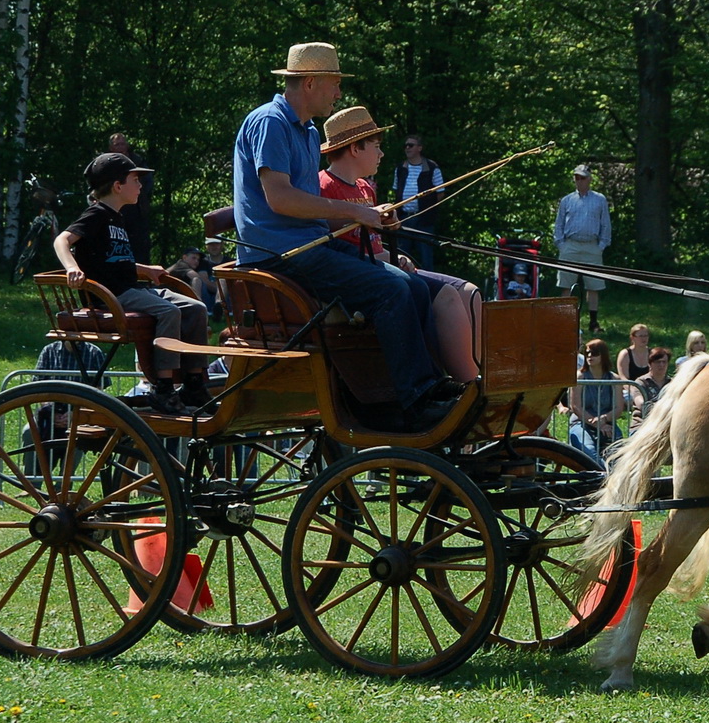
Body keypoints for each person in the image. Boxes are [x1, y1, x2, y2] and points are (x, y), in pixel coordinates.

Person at [232, 42, 459, 431]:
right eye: (334, 84)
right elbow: (281, 199)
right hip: (280, 253)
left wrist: (368, 220)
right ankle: (413, 401)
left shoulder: (303, 131)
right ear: (310, 83)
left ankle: (415, 390)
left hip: (310, 243)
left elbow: (311, 205)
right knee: (391, 290)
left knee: (415, 286)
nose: (338, 93)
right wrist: (354, 212)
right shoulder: (270, 122)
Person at [318, 106, 481, 380]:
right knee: (448, 296)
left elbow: (374, 239)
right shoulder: (323, 187)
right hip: (366, 276)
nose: (382, 154)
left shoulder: (365, 187)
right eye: (376, 146)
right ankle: (465, 384)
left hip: (388, 265)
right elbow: (339, 248)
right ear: (355, 149)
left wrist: (389, 223)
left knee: (470, 292)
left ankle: (478, 373)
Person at [55, 153, 210, 416]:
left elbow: (114, 260)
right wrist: (72, 267)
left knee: (196, 308)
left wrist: (144, 269)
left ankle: (193, 382)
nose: (140, 185)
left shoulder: (118, 217)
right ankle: (162, 387)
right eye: (135, 180)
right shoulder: (96, 214)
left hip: (133, 289)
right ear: (117, 186)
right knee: (168, 311)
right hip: (112, 295)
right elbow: (62, 240)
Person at [554, 164, 610, 334]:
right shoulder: (567, 200)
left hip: (592, 245)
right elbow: (559, 224)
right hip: (570, 244)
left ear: (589, 179)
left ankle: (593, 322)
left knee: (593, 286)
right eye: (576, 177)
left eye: (583, 178)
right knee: (566, 285)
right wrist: (561, 243)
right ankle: (566, 322)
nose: (579, 181)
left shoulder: (599, 199)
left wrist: (601, 245)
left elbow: (605, 223)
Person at [567, 338, 625, 460]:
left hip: (607, 423)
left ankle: (612, 476)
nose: (589, 356)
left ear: (603, 355)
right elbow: (576, 407)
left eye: (594, 353)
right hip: (581, 423)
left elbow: (618, 408)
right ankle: (604, 476)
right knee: (589, 453)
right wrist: (596, 423)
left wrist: (603, 419)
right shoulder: (580, 377)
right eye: (587, 353)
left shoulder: (614, 379)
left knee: (619, 455)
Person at [391, 133, 442, 270]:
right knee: (401, 256)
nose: (407, 148)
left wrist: (428, 209)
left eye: (411, 145)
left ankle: (431, 287)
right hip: (403, 218)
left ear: (419, 148)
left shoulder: (432, 168)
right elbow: (396, 190)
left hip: (424, 220)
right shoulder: (401, 168)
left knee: (426, 257)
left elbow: (440, 193)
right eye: (405, 145)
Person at [109, 133, 154, 264]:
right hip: (115, 210)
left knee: (140, 246)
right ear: (111, 147)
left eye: (123, 144)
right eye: (117, 144)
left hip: (137, 210)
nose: (120, 147)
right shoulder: (106, 163)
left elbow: (148, 183)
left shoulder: (138, 161)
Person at [630, 346, 673, 430]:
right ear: (649, 364)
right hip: (641, 425)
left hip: (666, 426)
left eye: (664, 362)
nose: (661, 365)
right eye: (658, 362)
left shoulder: (673, 383)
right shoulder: (640, 382)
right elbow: (641, 404)